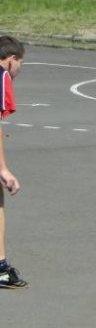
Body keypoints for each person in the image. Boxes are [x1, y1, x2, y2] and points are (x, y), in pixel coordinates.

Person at [0, 36, 26, 288]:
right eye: (21, 64)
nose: (20, 70)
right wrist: (3, 168)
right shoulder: (2, 77)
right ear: (11, 59)